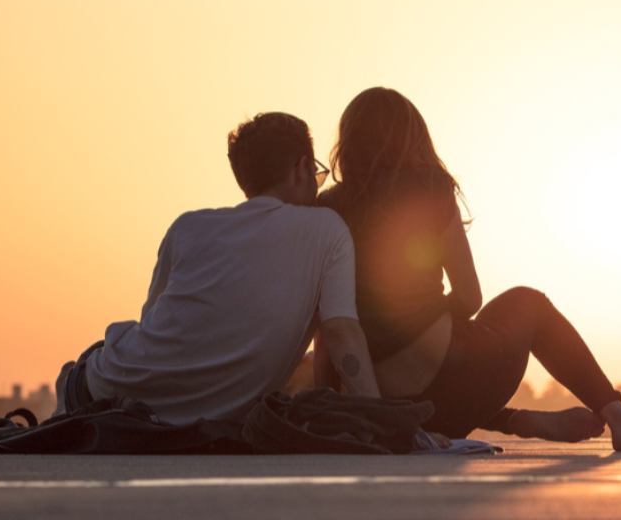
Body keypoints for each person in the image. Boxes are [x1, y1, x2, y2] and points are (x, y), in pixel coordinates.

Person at [315, 88, 621, 451]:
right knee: (530, 303)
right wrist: (427, 321)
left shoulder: (327, 209)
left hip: (391, 406)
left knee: (432, 382)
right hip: (454, 382)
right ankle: (620, 420)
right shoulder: (429, 186)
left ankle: (511, 420)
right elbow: (469, 296)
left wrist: (334, 403)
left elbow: (327, 327)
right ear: (413, 139)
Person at [55, 112, 383, 424]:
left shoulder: (187, 227)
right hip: (186, 417)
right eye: (316, 174)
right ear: (302, 168)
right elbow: (341, 333)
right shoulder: (327, 230)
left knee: (86, 367)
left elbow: (155, 326)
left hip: (109, 391)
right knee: (75, 370)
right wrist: (387, 425)